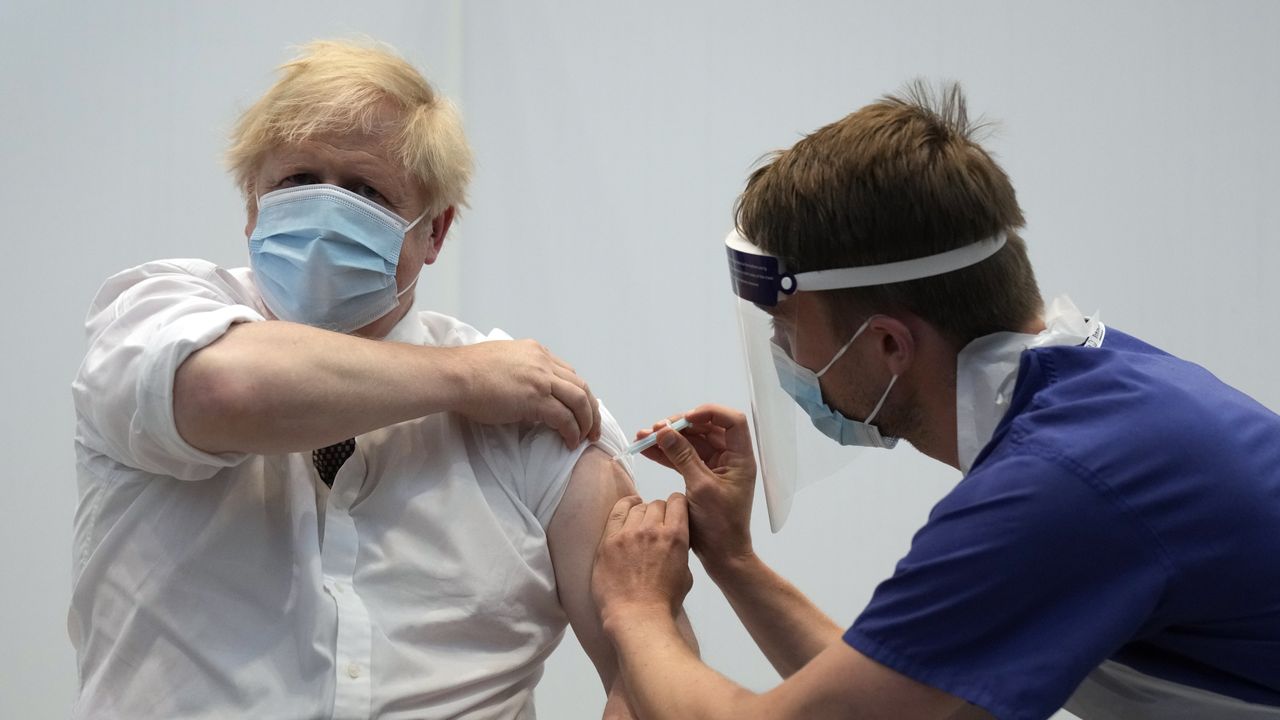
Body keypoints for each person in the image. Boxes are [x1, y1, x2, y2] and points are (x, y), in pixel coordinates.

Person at [590, 82, 1280, 719]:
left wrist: (635, 606)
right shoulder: (1103, 393)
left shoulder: (1062, 486)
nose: (785, 359)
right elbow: (897, 695)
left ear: (888, 345)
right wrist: (733, 559)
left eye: (787, 330)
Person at [69, 39, 681, 719]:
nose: (325, 211)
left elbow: (652, 676)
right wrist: (461, 382)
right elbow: (224, 392)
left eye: (366, 192)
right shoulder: (154, 316)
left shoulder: (529, 406)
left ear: (435, 232)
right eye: (297, 180)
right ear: (251, 205)